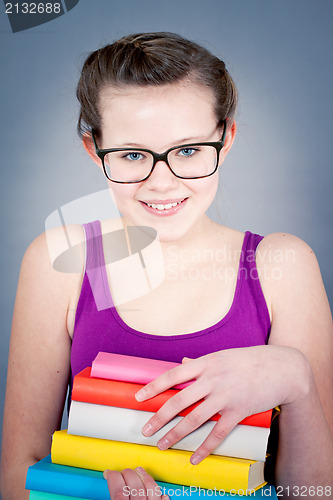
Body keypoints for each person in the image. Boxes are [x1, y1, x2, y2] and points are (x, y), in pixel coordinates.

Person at [1, 32, 332, 500]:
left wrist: (297, 379)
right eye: (133, 155)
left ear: (227, 137)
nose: (162, 182)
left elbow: (317, 492)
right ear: (95, 152)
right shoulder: (60, 260)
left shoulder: (284, 265)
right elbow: (20, 476)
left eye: (189, 151)